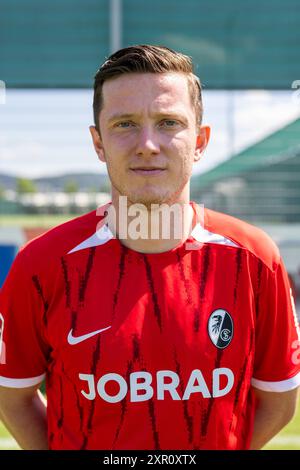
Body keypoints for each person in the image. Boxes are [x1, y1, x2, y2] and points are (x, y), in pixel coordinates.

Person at [0, 45, 299, 451]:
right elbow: (13, 396)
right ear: (98, 142)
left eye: (168, 122)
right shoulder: (40, 264)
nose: (147, 144)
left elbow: (279, 399)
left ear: (200, 140)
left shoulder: (255, 257)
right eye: (124, 124)